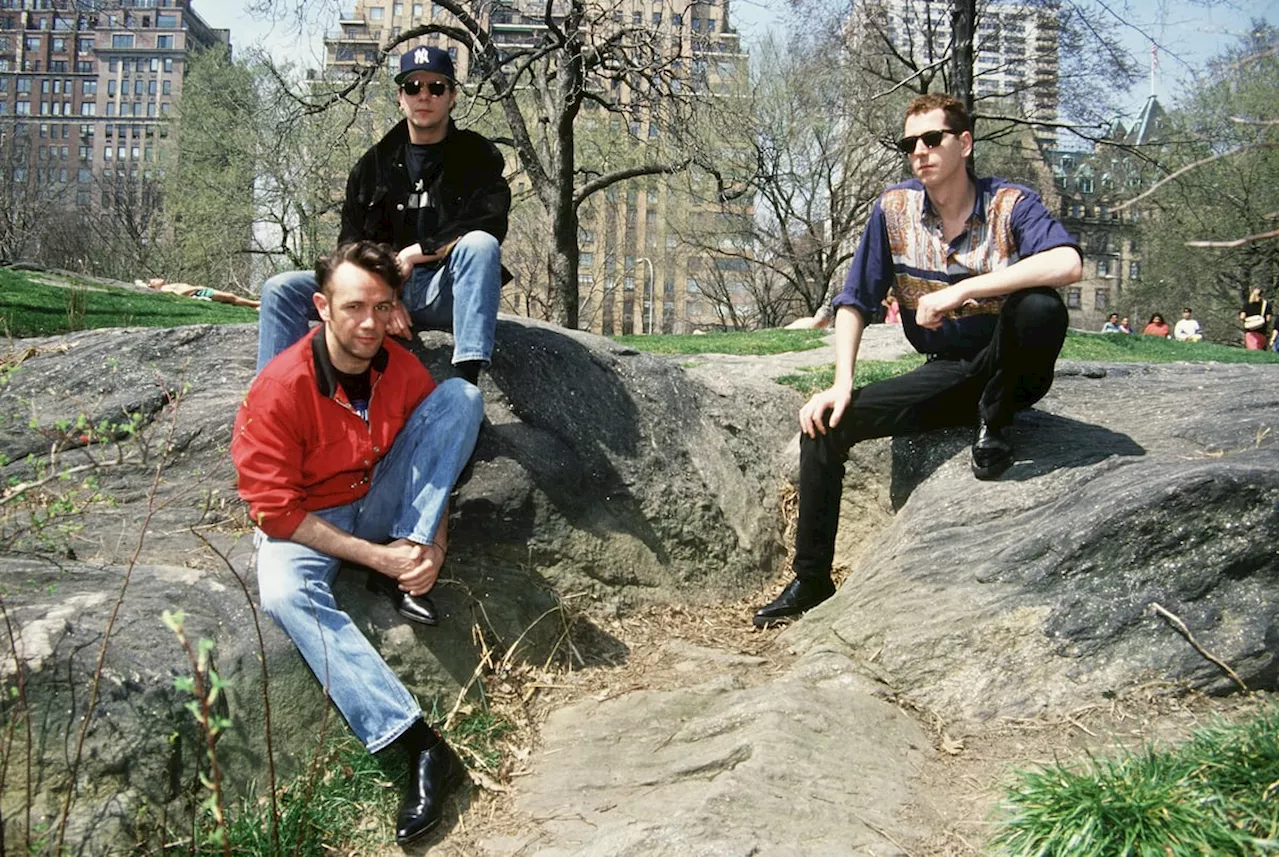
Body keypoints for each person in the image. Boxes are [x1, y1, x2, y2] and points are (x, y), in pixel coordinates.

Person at [752, 93, 1081, 628]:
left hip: (1010, 367)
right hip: (947, 373)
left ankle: (994, 423)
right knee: (825, 427)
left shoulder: (1011, 204)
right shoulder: (894, 209)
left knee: (1041, 307)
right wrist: (842, 383)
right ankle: (812, 580)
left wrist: (962, 291)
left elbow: (1067, 263)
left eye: (933, 139)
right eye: (910, 144)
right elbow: (855, 299)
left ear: (965, 143)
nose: (920, 152)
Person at [231, 241, 483, 845]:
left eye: (381, 306)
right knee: (284, 590)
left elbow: (433, 464)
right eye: (352, 308)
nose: (369, 323)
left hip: (381, 498)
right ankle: (418, 746)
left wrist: (431, 548)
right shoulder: (278, 387)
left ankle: (407, 564)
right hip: (313, 515)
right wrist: (376, 558)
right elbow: (273, 511)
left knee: (461, 398)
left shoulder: (399, 365)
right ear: (321, 307)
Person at [256, 46, 511, 383]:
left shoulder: (477, 154)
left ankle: (466, 379)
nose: (424, 96)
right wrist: (385, 297)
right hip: (378, 291)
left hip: (444, 288)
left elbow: (489, 221)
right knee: (280, 288)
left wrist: (414, 253)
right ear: (399, 97)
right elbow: (349, 246)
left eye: (435, 88)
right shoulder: (372, 165)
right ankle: (274, 398)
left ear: (451, 97)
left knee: (480, 245)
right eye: (412, 87)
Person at [139, 277, 261, 309]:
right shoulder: (164, 289)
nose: (157, 278)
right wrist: (196, 288)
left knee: (230, 298)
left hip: (198, 291)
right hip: (198, 293)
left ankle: (254, 305)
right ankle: (256, 303)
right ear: (153, 286)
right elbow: (179, 294)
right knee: (230, 297)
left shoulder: (166, 286)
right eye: (154, 280)